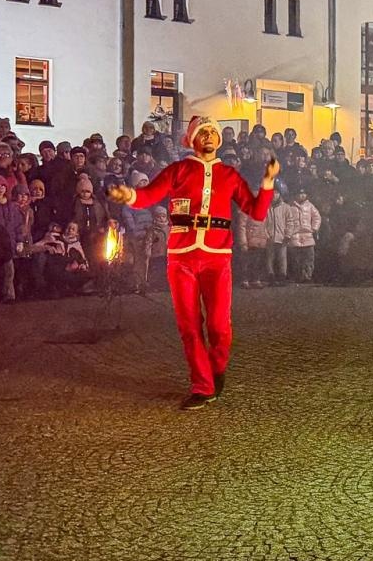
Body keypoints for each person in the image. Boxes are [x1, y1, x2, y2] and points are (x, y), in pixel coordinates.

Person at [108, 117, 277, 409]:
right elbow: (150, 195)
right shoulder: (179, 169)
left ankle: (217, 368)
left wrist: (267, 183)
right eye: (203, 132)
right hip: (182, 256)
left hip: (217, 256)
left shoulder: (229, 174)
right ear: (192, 140)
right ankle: (202, 385)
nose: (209, 137)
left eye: (213, 132)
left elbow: (256, 211)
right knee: (189, 325)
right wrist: (130, 195)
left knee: (218, 326)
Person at [285, 187, 321, 283]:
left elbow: (317, 217)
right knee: (296, 259)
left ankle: (308, 276)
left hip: (308, 235)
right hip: (294, 236)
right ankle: (297, 276)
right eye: (299, 194)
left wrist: (314, 228)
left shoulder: (310, 206)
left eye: (303, 194)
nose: (301, 196)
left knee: (309, 258)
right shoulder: (290, 206)